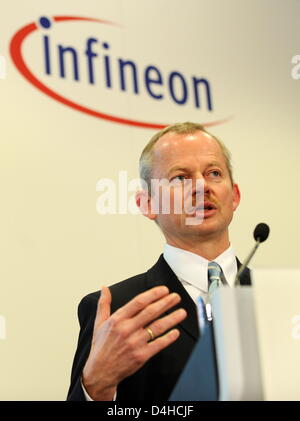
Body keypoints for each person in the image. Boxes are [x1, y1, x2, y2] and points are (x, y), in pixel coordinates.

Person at [67, 122, 251, 401]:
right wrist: (95, 386)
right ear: (147, 204)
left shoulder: (282, 299)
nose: (201, 186)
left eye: (214, 173)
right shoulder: (117, 310)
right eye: (180, 178)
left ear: (234, 195)